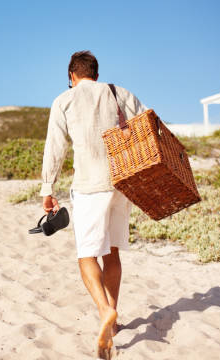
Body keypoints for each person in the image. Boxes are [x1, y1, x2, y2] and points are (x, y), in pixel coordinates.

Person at [40, 51, 146, 359]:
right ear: (96, 75)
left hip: (89, 186)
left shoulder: (64, 100)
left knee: (87, 256)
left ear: (72, 75)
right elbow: (148, 124)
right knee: (111, 252)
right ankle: (113, 316)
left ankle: (104, 312)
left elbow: (55, 147)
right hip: (121, 184)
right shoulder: (118, 93)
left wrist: (48, 187)